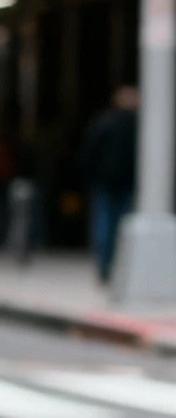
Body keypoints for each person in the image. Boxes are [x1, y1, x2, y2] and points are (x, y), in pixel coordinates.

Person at [79, 84, 139, 282]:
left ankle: (105, 264)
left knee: (105, 223)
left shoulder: (103, 122)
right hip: (126, 183)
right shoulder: (139, 125)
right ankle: (116, 265)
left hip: (105, 182)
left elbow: (89, 153)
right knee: (121, 224)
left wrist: (90, 176)